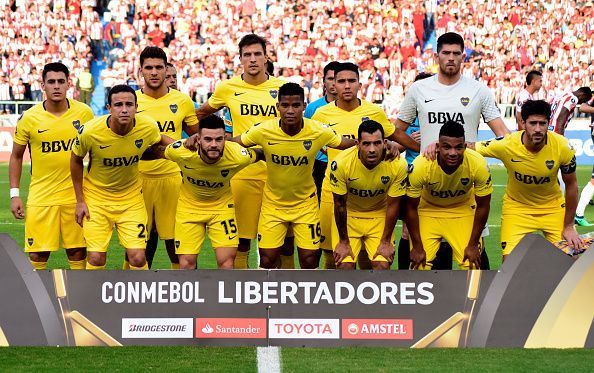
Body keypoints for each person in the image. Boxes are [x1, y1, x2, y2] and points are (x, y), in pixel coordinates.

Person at [393, 32, 506, 270]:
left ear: (464, 57)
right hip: (427, 184)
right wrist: (422, 148)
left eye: (456, 53)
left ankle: (475, 305)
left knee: (473, 258)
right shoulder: (419, 89)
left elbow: (502, 134)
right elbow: (397, 131)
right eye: (446, 53)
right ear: (437, 56)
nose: (451, 58)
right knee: (419, 257)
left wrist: (477, 149)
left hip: (465, 188)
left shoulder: (479, 91)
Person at [233, 82, 356, 269]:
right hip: (273, 204)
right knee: (267, 259)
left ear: (304, 107)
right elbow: (233, 144)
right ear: (278, 107)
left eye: (296, 105)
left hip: (305, 204)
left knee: (309, 260)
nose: (290, 110)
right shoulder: (263, 130)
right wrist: (201, 142)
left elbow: (346, 143)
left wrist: (377, 146)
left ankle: (305, 298)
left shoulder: (318, 131)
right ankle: (269, 298)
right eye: (285, 105)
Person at [194, 34, 287, 269]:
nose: (253, 59)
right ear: (240, 59)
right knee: (242, 242)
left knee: (276, 245)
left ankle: (274, 300)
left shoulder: (281, 89)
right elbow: (199, 114)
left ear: (266, 57)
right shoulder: (228, 88)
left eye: (258, 54)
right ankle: (243, 297)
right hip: (242, 173)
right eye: (248, 55)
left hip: (278, 174)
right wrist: (199, 138)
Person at [70, 85, 173, 270]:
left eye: (129, 104)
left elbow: (160, 140)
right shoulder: (90, 131)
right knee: (95, 257)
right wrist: (80, 201)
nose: (124, 109)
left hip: (131, 200)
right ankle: (92, 298)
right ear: (108, 108)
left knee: (138, 257)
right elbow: (76, 160)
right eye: (118, 105)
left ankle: (135, 298)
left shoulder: (147, 126)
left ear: (136, 107)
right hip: (97, 199)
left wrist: (184, 146)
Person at [312, 62, 401, 269]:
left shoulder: (374, 112)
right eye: (341, 81)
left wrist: (408, 148)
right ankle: (334, 297)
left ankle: (363, 297)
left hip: (371, 196)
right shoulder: (320, 114)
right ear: (332, 84)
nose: (347, 85)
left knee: (367, 257)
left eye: (351, 81)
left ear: (359, 84)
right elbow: (308, 142)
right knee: (331, 253)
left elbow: (393, 137)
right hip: (333, 192)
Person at [9, 62, 94, 270]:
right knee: (38, 254)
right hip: (41, 196)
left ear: (69, 84)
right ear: (43, 86)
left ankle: (79, 299)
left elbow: (96, 154)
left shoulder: (84, 113)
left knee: (77, 250)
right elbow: (16, 156)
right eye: (51, 82)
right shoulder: (29, 118)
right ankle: (37, 302)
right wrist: (14, 194)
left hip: (75, 196)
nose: (56, 86)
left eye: (61, 82)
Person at [475, 100, 583, 260]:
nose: (538, 129)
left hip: (552, 209)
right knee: (510, 266)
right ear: (523, 123)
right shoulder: (507, 144)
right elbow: (469, 147)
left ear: (548, 123)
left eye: (542, 123)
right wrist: (437, 144)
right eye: (533, 123)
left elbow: (572, 185)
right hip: (517, 209)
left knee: (573, 259)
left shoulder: (562, 146)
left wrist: (568, 226)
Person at [160, 115, 263, 269]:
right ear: (198, 139)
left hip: (221, 209)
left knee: (227, 263)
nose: (214, 145)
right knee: (186, 263)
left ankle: (223, 293)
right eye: (208, 139)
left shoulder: (237, 155)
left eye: (219, 140)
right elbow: (155, 151)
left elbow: (262, 153)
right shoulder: (182, 151)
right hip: (189, 208)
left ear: (225, 139)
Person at [134, 47, 199, 270]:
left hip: (172, 179)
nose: (154, 72)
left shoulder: (182, 101)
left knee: (177, 244)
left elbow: (197, 137)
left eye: (158, 67)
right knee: (137, 247)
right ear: (140, 71)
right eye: (149, 68)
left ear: (166, 69)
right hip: (137, 180)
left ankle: (186, 297)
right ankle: (135, 298)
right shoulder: (130, 102)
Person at [407, 120, 492, 270]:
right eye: (447, 147)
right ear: (438, 147)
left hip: (462, 210)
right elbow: (410, 208)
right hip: (429, 211)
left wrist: (473, 245)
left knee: (472, 264)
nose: (453, 153)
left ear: (465, 147)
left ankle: (472, 295)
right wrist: (417, 246)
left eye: (458, 147)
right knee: (420, 264)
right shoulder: (421, 165)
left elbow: (484, 205)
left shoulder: (478, 164)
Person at [330, 120, 408, 270]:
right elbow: (340, 204)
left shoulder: (397, 164)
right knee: (344, 265)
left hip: (379, 215)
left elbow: (394, 205)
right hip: (350, 216)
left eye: (377, 143)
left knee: (382, 265)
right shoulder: (341, 164)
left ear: (385, 143)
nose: (372, 149)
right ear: (357, 144)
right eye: (366, 144)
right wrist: (344, 242)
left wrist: (385, 242)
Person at [304, 61, 340, 201]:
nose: (333, 83)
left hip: (346, 163)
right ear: (324, 81)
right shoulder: (313, 108)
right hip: (320, 165)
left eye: (337, 79)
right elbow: (306, 137)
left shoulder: (355, 108)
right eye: (330, 79)